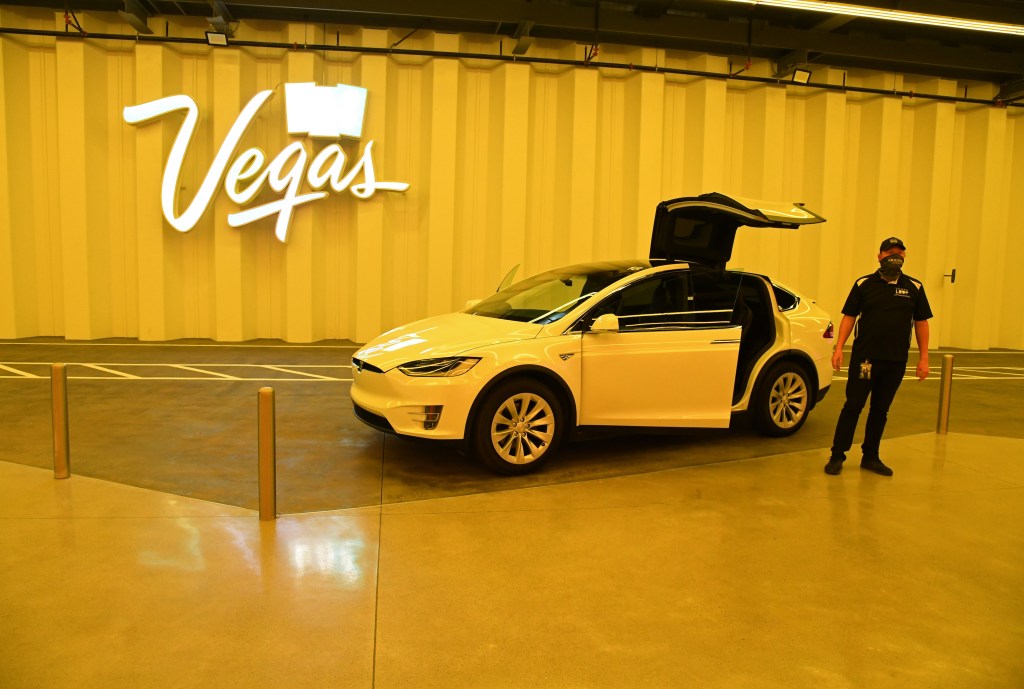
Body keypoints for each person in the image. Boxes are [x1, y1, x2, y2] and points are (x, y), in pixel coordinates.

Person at [825, 237, 933, 476]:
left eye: (899, 253)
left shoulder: (914, 287)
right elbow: (849, 317)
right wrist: (839, 348)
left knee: (880, 409)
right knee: (853, 405)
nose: (894, 257)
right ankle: (837, 455)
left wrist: (924, 358)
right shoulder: (864, 284)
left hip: (895, 360)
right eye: (889, 252)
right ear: (879, 255)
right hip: (866, 359)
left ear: (904, 257)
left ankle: (871, 456)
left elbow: (921, 323)